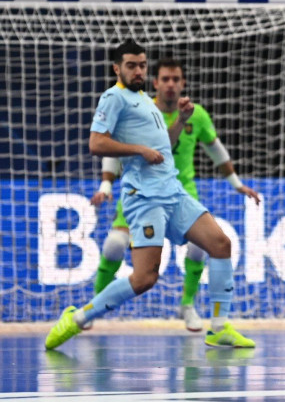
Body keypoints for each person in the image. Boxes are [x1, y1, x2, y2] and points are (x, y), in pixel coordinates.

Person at [45, 41, 255, 350]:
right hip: (144, 198)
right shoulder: (114, 97)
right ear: (118, 68)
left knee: (221, 244)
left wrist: (181, 121)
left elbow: (163, 148)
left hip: (173, 191)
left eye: (142, 64)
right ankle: (77, 318)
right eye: (131, 65)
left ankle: (220, 327)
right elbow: (96, 143)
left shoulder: (145, 100)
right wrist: (137, 150)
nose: (139, 70)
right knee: (144, 279)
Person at [89, 58, 259, 332]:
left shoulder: (198, 114)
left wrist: (237, 184)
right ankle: (94, 305)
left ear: (183, 83)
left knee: (203, 247)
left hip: (181, 193)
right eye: (165, 79)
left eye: (176, 79)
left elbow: (216, 150)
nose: (170, 84)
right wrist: (106, 185)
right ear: (155, 83)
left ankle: (188, 305)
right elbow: (112, 147)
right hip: (142, 194)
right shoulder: (140, 110)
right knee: (114, 246)